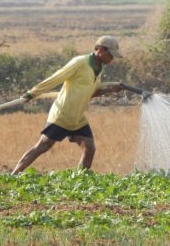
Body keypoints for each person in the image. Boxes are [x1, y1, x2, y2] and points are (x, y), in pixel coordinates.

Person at [11, 36, 124, 174]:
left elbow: (91, 92)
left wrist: (111, 89)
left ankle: (79, 180)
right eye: (110, 55)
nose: (111, 59)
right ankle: (14, 174)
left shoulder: (99, 69)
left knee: (89, 148)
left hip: (77, 118)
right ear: (100, 50)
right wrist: (32, 93)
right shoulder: (80, 63)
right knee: (43, 145)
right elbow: (56, 78)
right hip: (63, 114)